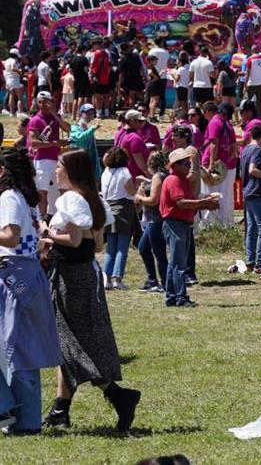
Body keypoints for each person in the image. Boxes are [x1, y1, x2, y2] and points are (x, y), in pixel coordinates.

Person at [42, 150, 142, 433]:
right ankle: (61, 409)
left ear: (71, 169)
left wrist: (46, 234)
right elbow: (97, 247)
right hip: (88, 275)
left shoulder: (71, 199)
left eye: (60, 166)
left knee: (67, 342)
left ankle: (118, 395)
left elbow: (73, 241)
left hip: (71, 278)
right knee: (71, 340)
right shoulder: (94, 199)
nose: (56, 170)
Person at [0, 148, 61, 435]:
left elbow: (10, 238)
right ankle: (26, 420)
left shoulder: (9, 198)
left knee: (15, 350)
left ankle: (11, 414)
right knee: (23, 351)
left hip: (14, 276)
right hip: (27, 274)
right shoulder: (26, 199)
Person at [159, 149, 219, 307]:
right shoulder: (173, 180)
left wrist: (205, 200)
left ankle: (172, 296)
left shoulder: (182, 180)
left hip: (182, 223)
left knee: (175, 263)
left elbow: (188, 200)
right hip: (175, 224)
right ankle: (181, 297)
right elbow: (181, 203)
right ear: (176, 165)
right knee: (179, 264)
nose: (189, 165)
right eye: (185, 163)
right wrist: (203, 204)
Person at [99, 147, 140, 291]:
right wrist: (138, 187)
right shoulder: (124, 172)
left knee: (111, 247)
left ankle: (106, 278)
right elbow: (130, 191)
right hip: (123, 209)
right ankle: (117, 278)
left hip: (109, 209)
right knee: (122, 246)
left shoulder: (106, 172)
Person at [27, 91, 71, 216]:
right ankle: (41, 218)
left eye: (45, 102)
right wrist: (54, 144)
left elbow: (68, 129)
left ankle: (53, 216)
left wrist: (55, 115)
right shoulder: (36, 120)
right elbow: (34, 143)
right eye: (40, 102)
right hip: (42, 160)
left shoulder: (55, 118)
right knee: (42, 191)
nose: (42, 105)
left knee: (56, 190)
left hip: (56, 159)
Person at [133, 149, 169, 293]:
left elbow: (154, 200)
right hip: (153, 220)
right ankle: (152, 280)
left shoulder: (157, 177)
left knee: (159, 253)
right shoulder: (162, 176)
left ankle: (165, 283)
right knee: (143, 247)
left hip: (156, 219)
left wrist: (140, 198)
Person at [239, 124, 261, 273]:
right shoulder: (257, 150)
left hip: (247, 192)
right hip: (257, 192)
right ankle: (259, 263)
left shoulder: (245, 150)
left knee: (251, 228)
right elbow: (252, 169)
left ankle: (250, 260)